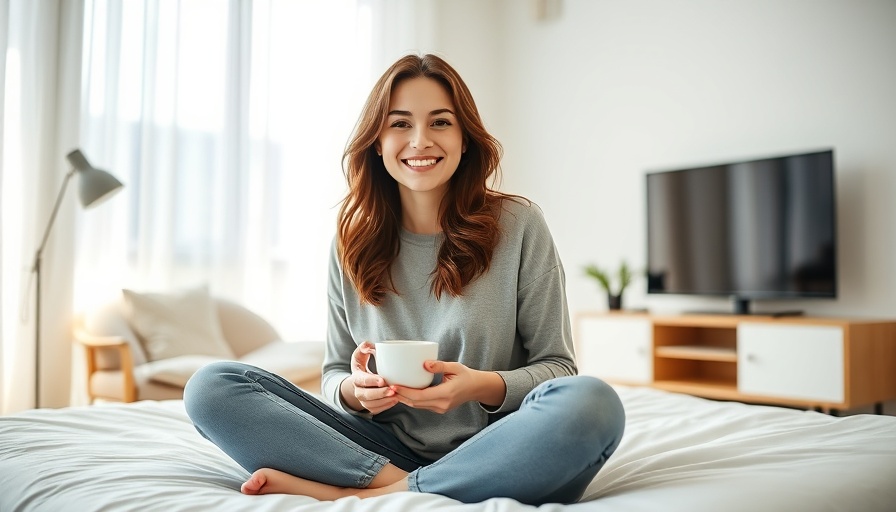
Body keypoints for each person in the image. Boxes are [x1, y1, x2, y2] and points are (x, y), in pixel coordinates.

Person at [184, 53, 625, 505]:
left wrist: (477, 386)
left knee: (591, 403)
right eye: (399, 124)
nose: (420, 140)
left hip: (499, 446)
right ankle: (400, 483)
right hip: (380, 449)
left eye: (440, 123)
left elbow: (558, 367)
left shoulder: (519, 224)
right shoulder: (350, 240)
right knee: (212, 386)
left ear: (464, 138)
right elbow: (334, 372)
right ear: (377, 141)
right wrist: (356, 392)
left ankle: (363, 493)